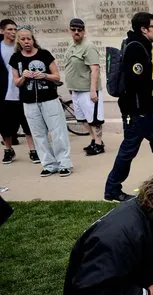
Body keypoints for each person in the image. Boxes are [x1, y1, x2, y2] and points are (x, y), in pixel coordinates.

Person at [103, 12, 153, 202]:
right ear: (144, 29)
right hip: (136, 112)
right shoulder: (136, 48)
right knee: (129, 151)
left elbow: (138, 77)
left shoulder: (139, 44)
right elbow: (134, 82)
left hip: (143, 110)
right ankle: (112, 189)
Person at [9, 26, 73, 177]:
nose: (26, 42)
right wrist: (24, 76)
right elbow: (17, 82)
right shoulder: (16, 58)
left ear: (33, 40)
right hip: (29, 102)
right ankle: (49, 165)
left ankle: (64, 163)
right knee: (38, 134)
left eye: (29, 38)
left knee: (58, 132)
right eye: (23, 39)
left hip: (49, 99)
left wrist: (44, 75)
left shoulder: (44, 54)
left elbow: (56, 76)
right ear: (19, 41)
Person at [64, 18, 105, 156]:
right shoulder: (71, 44)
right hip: (76, 89)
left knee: (94, 120)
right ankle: (94, 140)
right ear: (69, 30)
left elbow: (94, 69)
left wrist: (93, 90)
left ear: (84, 31)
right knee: (82, 119)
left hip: (88, 90)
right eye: (73, 30)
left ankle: (99, 144)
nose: (76, 32)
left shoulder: (88, 46)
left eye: (79, 30)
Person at [0, 19, 38, 165]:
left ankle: (33, 151)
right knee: (5, 125)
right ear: (2, 31)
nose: (13, 32)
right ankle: (8, 150)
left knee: (28, 123)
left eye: (15, 29)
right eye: (9, 29)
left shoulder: (20, 48)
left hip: (23, 91)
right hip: (4, 93)